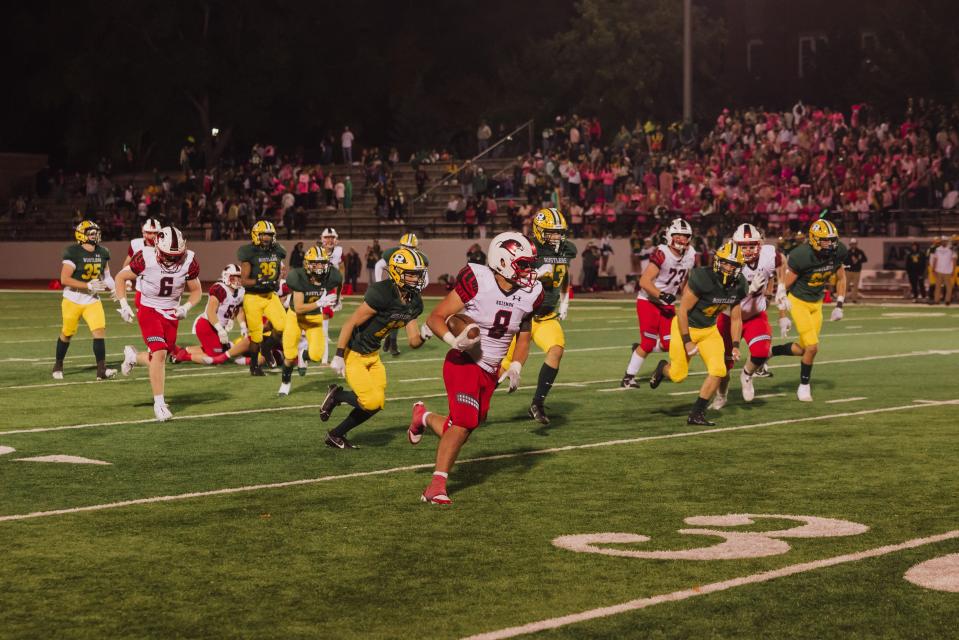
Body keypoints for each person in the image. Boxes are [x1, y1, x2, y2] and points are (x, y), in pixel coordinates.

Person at [409, 232, 543, 504]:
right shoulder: (477, 281)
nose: (530, 271)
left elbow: (524, 336)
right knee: (464, 421)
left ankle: (422, 417)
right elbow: (436, 317)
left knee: (463, 425)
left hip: (491, 371)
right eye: (524, 264)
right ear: (503, 262)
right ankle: (435, 486)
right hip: (464, 361)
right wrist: (453, 340)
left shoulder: (532, 293)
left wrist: (516, 364)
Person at [319, 248, 431, 449]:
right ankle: (337, 396)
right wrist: (338, 355)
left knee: (377, 403)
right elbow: (350, 323)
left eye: (418, 274)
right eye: (412, 274)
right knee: (370, 401)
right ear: (396, 272)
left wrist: (425, 334)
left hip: (373, 354)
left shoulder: (414, 301)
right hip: (355, 353)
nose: (417, 278)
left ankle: (335, 435)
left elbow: (414, 341)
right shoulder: (382, 293)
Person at [647, 241, 748, 426]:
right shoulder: (703, 277)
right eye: (725, 262)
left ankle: (696, 413)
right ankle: (663, 368)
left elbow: (736, 318)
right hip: (685, 328)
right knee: (678, 376)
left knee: (719, 370)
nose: (728, 268)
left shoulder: (739, 285)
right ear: (718, 261)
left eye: (733, 265)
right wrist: (687, 341)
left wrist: (735, 345)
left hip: (709, 330)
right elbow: (682, 310)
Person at [114, 226, 202, 421]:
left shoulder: (189, 260)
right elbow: (120, 277)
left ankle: (134, 357)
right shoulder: (144, 257)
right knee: (160, 352)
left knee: (161, 353)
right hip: (148, 308)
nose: (172, 259)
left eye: (176, 255)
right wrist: (123, 303)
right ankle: (159, 403)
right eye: (167, 255)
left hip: (171, 311)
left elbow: (196, 291)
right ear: (157, 248)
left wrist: (186, 307)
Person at [501, 208, 576, 424]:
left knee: (556, 350)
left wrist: (565, 301)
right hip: (523, 317)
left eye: (559, 232)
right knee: (504, 367)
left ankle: (537, 403)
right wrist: (534, 275)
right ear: (540, 231)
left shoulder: (563, 251)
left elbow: (564, 275)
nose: (557, 237)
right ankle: (478, 401)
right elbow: (511, 278)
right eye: (552, 232)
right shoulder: (527, 249)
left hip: (546, 317)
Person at [767, 219, 848, 402]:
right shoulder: (802, 256)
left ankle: (770, 352)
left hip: (816, 303)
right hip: (798, 302)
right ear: (813, 240)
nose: (830, 244)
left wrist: (839, 304)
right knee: (813, 347)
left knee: (803, 349)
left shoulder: (838, 252)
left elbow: (841, 278)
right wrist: (782, 316)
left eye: (832, 239)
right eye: (825, 240)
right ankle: (804, 386)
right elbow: (782, 289)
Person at [713, 224, 785, 408]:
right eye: (743, 246)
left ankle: (746, 374)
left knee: (761, 351)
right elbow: (722, 294)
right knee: (723, 364)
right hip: (729, 315)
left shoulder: (769, 254)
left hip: (754, 315)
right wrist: (746, 291)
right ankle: (721, 395)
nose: (747, 250)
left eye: (751, 245)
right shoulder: (728, 260)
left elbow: (781, 261)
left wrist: (781, 287)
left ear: (759, 244)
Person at [621, 218, 695, 388]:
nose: (682, 240)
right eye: (678, 235)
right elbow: (644, 281)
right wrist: (661, 294)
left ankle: (638, 350)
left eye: (685, 236)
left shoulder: (691, 254)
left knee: (669, 343)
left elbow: (685, 280)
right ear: (670, 235)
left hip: (667, 303)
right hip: (649, 300)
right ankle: (628, 377)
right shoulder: (662, 253)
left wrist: (686, 298)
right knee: (647, 343)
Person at [53, 221, 118, 380]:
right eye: (91, 232)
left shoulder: (102, 252)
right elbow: (64, 279)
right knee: (67, 333)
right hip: (72, 298)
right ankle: (58, 364)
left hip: (92, 299)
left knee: (99, 330)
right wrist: (87, 285)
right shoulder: (73, 252)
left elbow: (107, 277)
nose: (94, 235)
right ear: (81, 235)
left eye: (96, 232)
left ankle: (101, 370)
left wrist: (115, 289)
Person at [277, 247, 342, 396]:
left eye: (322, 263)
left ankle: (303, 356)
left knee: (317, 355)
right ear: (307, 264)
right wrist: (321, 303)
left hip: (314, 318)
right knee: (289, 354)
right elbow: (299, 308)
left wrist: (337, 299)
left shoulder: (332, 275)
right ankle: (285, 383)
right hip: (295, 317)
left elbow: (339, 282)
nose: (320, 267)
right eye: (315, 263)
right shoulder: (298, 276)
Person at [157, 264, 250, 367]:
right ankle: (183, 357)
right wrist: (220, 330)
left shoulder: (241, 291)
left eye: (239, 277)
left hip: (217, 326)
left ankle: (183, 351)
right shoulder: (220, 289)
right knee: (216, 357)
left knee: (223, 350)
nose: (237, 280)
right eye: (234, 277)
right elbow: (210, 312)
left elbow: (239, 310)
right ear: (226, 277)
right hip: (207, 325)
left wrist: (243, 327)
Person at [238, 220, 287, 376]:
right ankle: (254, 366)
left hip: (270, 296)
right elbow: (244, 280)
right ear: (255, 235)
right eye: (263, 234)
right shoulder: (248, 252)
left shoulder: (278, 250)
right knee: (256, 336)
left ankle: (266, 348)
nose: (266, 238)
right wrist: (259, 281)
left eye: (269, 235)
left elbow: (279, 266)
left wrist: (278, 276)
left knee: (283, 326)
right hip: (253, 297)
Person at [374, 233, 427, 356]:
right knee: (394, 314)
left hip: (409, 290)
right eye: (405, 247)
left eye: (411, 247)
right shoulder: (392, 253)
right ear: (400, 246)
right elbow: (378, 265)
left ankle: (391, 341)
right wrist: (379, 284)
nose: (408, 250)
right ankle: (391, 342)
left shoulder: (419, 258)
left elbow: (426, 277)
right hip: (394, 288)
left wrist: (417, 287)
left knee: (400, 314)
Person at [931, 237, 956, 305]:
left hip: (947, 271)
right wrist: (933, 269)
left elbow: (954, 260)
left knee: (949, 287)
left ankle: (947, 301)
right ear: (941, 242)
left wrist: (953, 270)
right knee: (937, 287)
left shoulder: (951, 249)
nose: (944, 242)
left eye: (945, 241)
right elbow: (935, 259)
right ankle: (936, 301)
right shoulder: (937, 249)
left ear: (947, 242)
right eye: (943, 241)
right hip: (938, 270)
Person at [843, 238, 868, 303]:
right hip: (848, 271)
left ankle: (854, 299)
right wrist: (851, 261)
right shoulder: (847, 252)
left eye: (854, 244)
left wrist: (858, 260)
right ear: (850, 245)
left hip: (857, 271)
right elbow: (844, 261)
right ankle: (844, 298)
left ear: (856, 244)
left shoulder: (860, 252)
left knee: (855, 286)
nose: (853, 245)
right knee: (846, 285)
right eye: (852, 244)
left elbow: (865, 259)